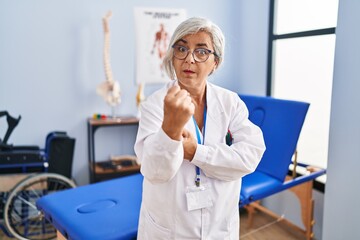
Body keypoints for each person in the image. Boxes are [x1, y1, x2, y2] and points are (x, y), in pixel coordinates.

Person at [134, 17, 266, 240]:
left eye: (202, 51)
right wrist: (170, 129)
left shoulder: (230, 102)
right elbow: (155, 172)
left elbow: (250, 156)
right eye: (182, 48)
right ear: (172, 56)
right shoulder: (154, 105)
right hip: (170, 229)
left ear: (216, 62)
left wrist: (196, 152)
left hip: (219, 226)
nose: (190, 59)